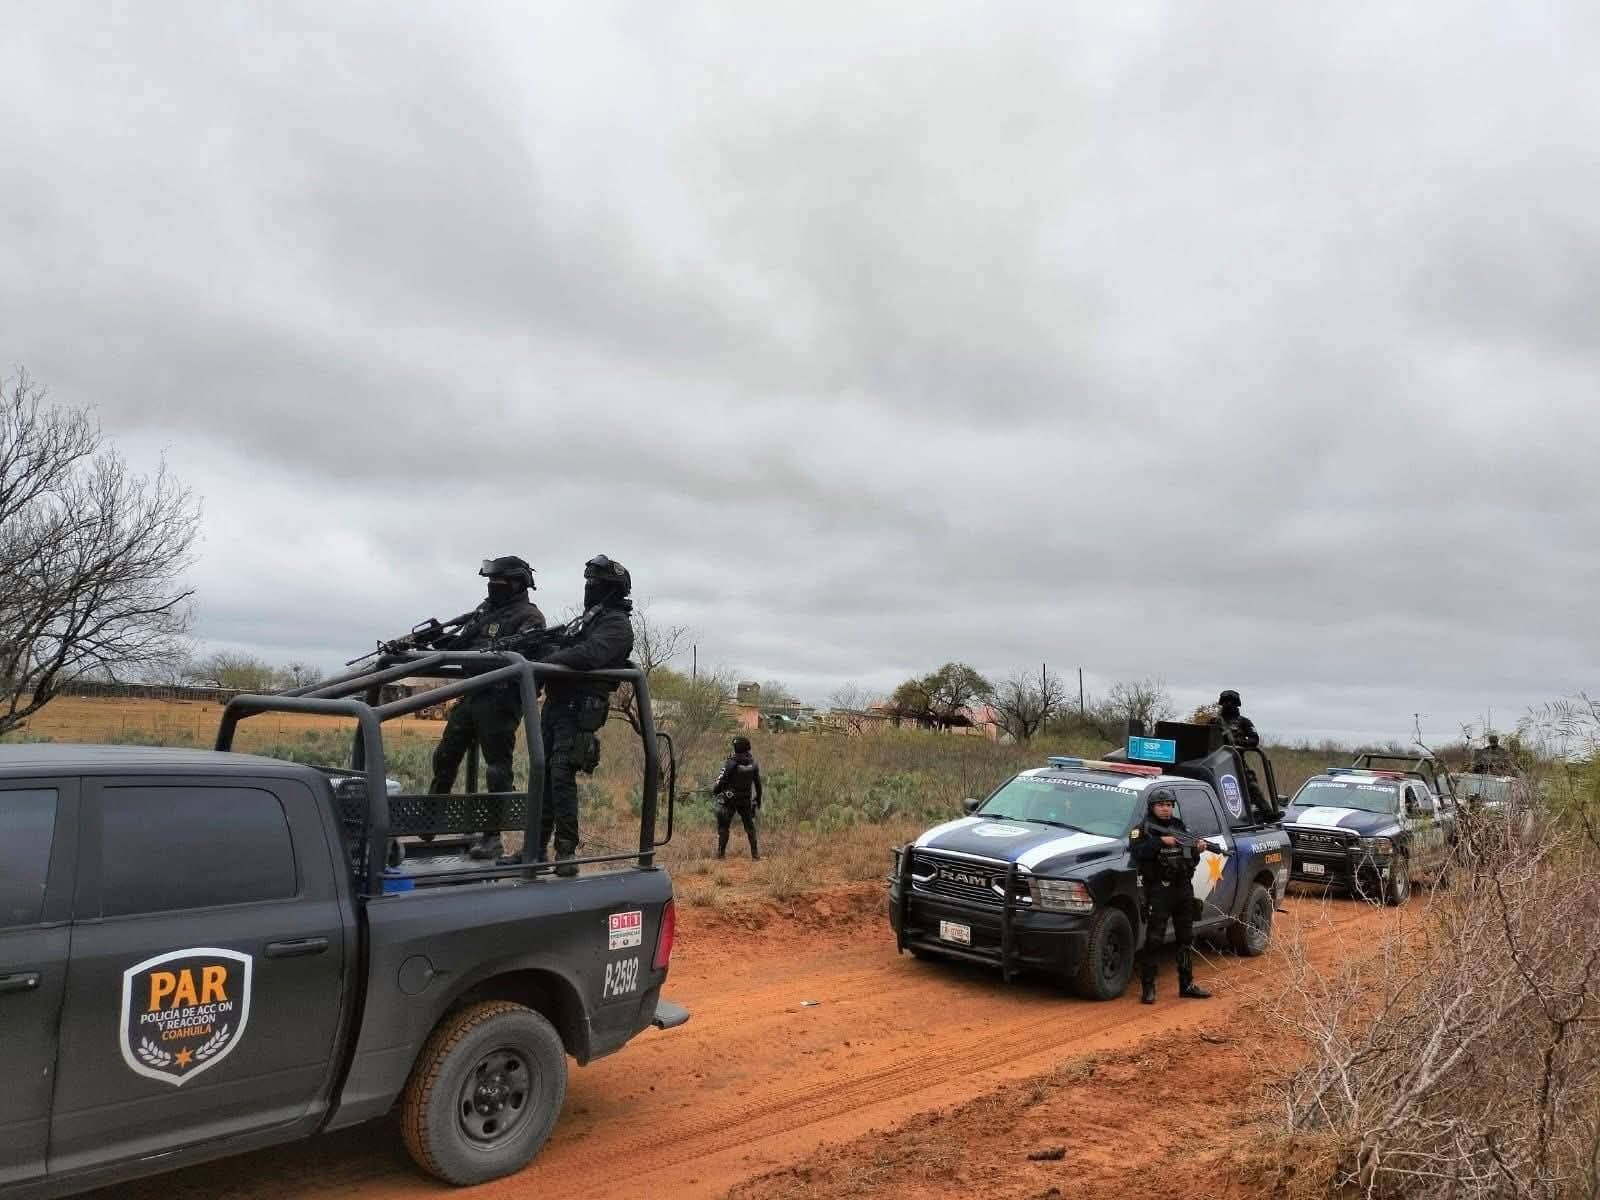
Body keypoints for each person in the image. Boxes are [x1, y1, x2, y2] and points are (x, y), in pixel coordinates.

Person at [427, 556, 546, 859]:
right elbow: (460, 647)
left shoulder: (529, 617)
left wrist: (473, 654)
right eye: (490, 581)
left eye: (499, 581)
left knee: (496, 770)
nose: (492, 586)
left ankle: (492, 836)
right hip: (472, 694)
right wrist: (438, 640)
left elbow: (515, 652)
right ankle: (429, 819)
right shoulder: (482, 612)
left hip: (501, 700)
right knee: (445, 756)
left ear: (517, 583)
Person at [532, 555, 635, 876]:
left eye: (595, 583)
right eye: (587, 581)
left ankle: (565, 851)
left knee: (561, 777)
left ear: (610, 589)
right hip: (555, 707)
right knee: (543, 777)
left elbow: (590, 654)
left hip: (579, 710)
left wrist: (551, 661)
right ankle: (534, 851)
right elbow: (563, 646)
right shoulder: (587, 620)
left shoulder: (616, 624)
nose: (589, 587)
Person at [1131, 787, 1220, 1004]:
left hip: (1182, 889)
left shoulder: (1180, 827)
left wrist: (1197, 850)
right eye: (1161, 805)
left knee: (1186, 938)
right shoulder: (1141, 829)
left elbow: (1191, 861)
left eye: (1169, 805)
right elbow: (1137, 853)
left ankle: (1186, 984)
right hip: (1159, 890)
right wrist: (1161, 841)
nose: (1165, 809)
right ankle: (1148, 988)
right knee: (1154, 939)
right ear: (1152, 807)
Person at [712, 736, 763, 860]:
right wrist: (758, 798)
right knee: (749, 827)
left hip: (730, 800)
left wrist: (716, 791)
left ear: (736, 748)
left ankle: (721, 855)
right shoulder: (753, 763)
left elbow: (723, 780)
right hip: (745, 800)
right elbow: (758, 784)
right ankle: (755, 856)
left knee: (724, 826)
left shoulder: (731, 762)